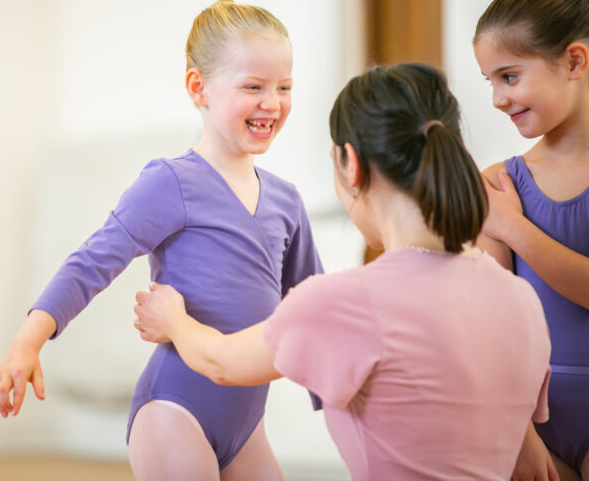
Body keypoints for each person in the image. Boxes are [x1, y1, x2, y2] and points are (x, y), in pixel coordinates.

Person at [134, 63, 552, 481]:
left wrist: (174, 320)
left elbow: (221, 362)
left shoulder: (344, 303)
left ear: (351, 164)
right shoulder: (521, 299)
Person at [0, 0, 323, 481]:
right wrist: (27, 343)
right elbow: (91, 262)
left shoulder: (287, 202)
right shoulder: (171, 183)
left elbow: (313, 305)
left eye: (284, 87)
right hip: (175, 410)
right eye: (253, 86)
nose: (271, 102)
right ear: (199, 88)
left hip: (248, 425)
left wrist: (339, 399)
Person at [473, 0, 589, 481]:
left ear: (575, 61)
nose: (498, 99)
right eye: (490, 81)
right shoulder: (500, 186)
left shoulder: (506, 210)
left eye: (510, 76)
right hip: (530, 422)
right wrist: (516, 433)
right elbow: (490, 331)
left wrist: (516, 230)